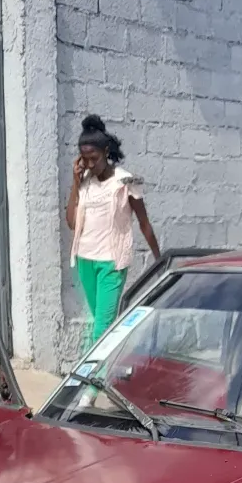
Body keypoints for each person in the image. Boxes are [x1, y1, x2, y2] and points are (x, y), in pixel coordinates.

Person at [66, 114, 161, 345]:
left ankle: (90, 381)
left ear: (106, 151)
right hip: (85, 260)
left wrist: (160, 260)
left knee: (101, 331)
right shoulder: (85, 181)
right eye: (84, 158)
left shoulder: (126, 181)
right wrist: (76, 183)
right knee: (102, 322)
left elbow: (144, 222)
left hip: (112, 263)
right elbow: (71, 223)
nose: (89, 164)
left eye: (94, 158)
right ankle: (111, 370)